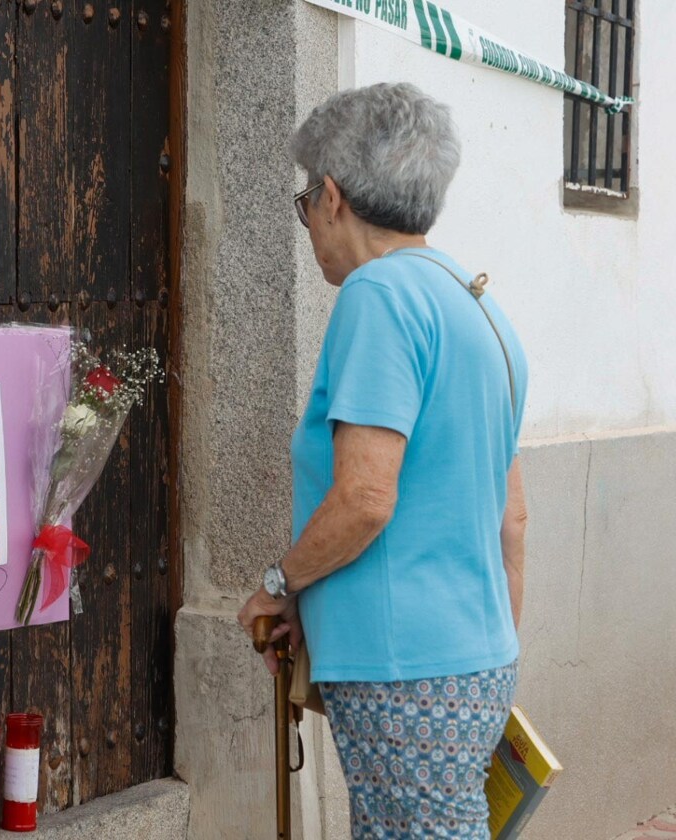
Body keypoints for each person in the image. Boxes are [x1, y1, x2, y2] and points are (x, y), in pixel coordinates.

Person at [237, 83, 529, 839]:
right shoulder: (480, 307)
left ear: (332, 196)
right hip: (474, 663)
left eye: (306, 202)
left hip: (404, 672)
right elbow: (513, 521)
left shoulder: (378, 296)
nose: (308, 224)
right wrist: (489, 659)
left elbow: (366, 498)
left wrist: (280, 585)